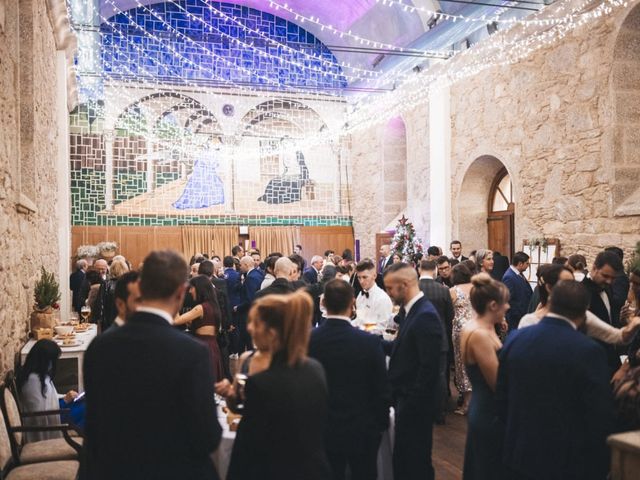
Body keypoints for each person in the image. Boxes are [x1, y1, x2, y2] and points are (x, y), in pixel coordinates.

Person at [82, 250, 222, 480]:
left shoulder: (100, 346)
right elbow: (206, 437)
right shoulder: (192, 353)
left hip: (114, 470)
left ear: (140, 288)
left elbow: (96, 425)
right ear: (180, 293)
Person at [496, 280, 614, 480]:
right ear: (585, 310)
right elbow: (598, 413)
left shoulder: (516, 338)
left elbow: (501, 397)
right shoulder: (588, 351)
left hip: (519, 451)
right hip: (566, 460)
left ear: (550, 302)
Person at [226, 291, 332, 480]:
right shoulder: (315, 369)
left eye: (255, 323)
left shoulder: (261, 383)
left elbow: (248, 445)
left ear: (272, 333)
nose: (250, 328)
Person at [308, 280, 391, 480]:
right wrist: (380, 424)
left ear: (324, 303)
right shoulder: (369, 342)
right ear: (352, 303)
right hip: (362, 428)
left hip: (322, 428)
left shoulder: (309, 340)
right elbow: (381, 388)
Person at [383, 263, 443, 480]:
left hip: (415, 404)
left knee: (415, 463)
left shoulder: (425, 315)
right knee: (405, 459)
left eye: (390, 288)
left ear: (405, 285)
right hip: (406, 400)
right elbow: (403, 349)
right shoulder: (411, 311)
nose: (388, 293)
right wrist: (370, 341)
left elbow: (429, 368)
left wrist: (410, 403)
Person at [460, 274, 509, 480]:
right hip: (488, 410)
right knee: (487, 468)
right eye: (505, 303)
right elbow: (497, 383)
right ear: (493, 305)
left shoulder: (483, 327)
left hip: (486, 406)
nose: (508, 307)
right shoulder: (478, 334)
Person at [519, 264, 640, 343]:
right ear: (550, 288)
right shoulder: (529, 321)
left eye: (573, 283)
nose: (573, 288)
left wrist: (632, 324)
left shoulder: (582, 316)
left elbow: (615, 336)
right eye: (566, 284)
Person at [17, 339, 79, 442]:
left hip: (56, 412)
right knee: (87, 411)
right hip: (50, 420)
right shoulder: (32, 381)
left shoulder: (39, 375)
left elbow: (48, 398)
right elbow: (40, 414)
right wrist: (64, 401)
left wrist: (64, 397)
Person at [418, 260, 454, 424]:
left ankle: (421, 412)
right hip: (440, 339)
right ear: (434, 271)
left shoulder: (412, 289)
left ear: (419, 270)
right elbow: (450, 317)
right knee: (439, 376)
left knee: (418, 374)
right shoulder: (443, 291)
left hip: (417, 340)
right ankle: (439, 413)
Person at [174, 275, 225, 382]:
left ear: (199, 289)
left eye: (192, 288)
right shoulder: (212, 305)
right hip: (212, 346)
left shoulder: (201, 308)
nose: (190, 291)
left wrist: (176, 301)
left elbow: (176, 321)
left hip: (203, 345)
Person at [583, 250, 625, 373]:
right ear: (594, 268)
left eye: (613, 278)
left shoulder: (606, 287)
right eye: (605, 276)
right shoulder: (580, 292)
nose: (609, 281)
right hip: (591, 361)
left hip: (610, 357)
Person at [450, 263, 474, 414]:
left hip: (460, 330)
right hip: (476, 328)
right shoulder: (476, 288)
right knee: (475, 363)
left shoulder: (453, 291)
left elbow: (449, 310)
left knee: (461, 365)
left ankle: (466, 404)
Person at [354, 259, 393, 328]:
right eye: (359, 277)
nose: (361, 281)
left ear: (374, 276)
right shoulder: (360, 295)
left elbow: (382, 327)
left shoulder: (382, 298)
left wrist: (360, 331)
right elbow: (359, 320)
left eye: (364, 277)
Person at [501, 251, 533, 330]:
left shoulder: (519, 273)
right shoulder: (509, 277)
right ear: (520, 264)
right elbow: (507, 299)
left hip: (522, 315)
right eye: (527, 263)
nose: (528, 266)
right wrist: (518, 313)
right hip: (515, 319)